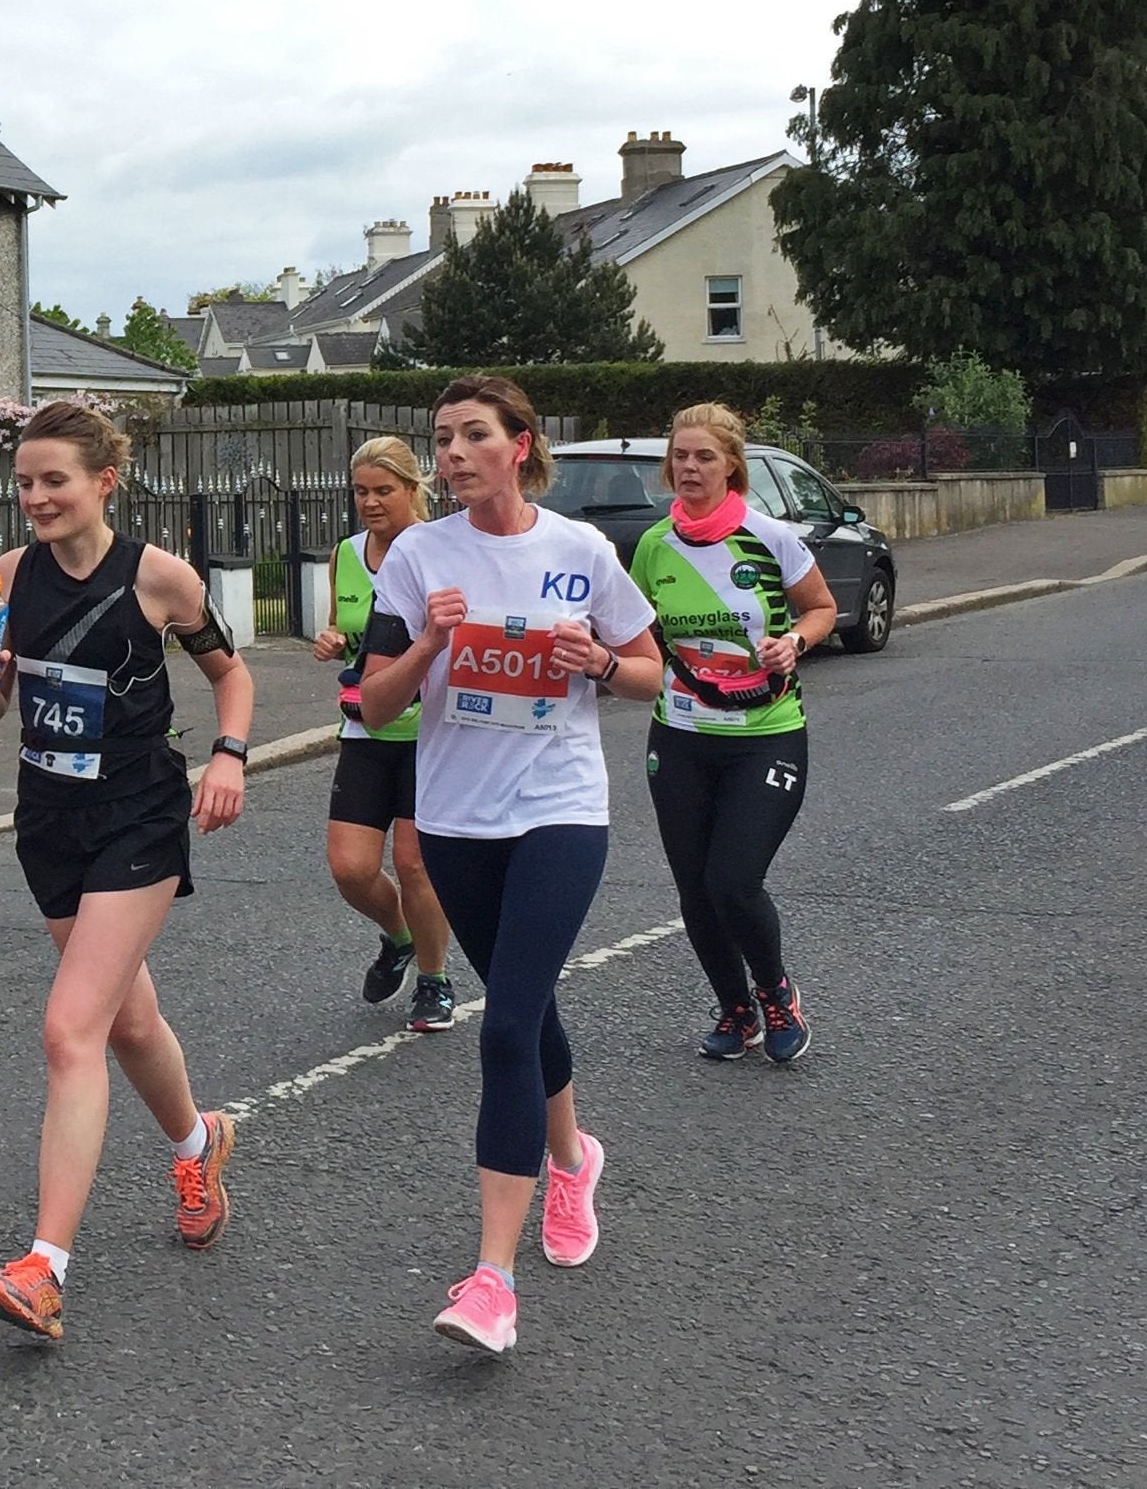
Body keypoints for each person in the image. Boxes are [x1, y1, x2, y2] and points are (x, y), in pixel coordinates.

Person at [360, 376, 662, 1355]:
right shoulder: (417, 554)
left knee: (507, 1030)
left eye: (471, 437)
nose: (449, 454)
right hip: (454, 818)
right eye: (441, 439)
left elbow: (652, 669)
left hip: (559, 809)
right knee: (531, 1010)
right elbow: (370, 701)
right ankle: (571, 1159)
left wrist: (602, 668)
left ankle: (492, 1280)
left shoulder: (580, 551)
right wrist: (434, 642)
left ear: (519, 446)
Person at [0, 399, 254, 1342]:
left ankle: (44, 1268)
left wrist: (230, 755)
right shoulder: (6, 574)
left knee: (66, 1029)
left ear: (102, 483)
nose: (36, 498)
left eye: (55, 481)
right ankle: (199, 1143)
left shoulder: (159, 579)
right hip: (48, 821)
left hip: (139, 816)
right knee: (127, 1021)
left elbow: (230, 675)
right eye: (25, 483)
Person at [631, 404, 835, 1065]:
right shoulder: (654, 545)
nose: (688, 468)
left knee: (732, 880)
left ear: (730, 466)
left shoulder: (769, 537)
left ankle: (776, 993)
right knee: (693, 887)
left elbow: (821, 607)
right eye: (680, 457)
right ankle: (734, 1008)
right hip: (681, 736)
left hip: (766, 733)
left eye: (703, 458)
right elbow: (635, 632)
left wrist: (794, 641)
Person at [310, 436, 456, 1028]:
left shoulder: (440, 551)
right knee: (351, 869)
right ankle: (398, 937)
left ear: (412, 490)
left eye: (383, 491)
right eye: (361, 492)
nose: (370, 503)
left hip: (431, 734)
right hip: (365, 731)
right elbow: (340, 628)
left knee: (416, 863)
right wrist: (327, 642)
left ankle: (434, 978)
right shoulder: (346, 554)